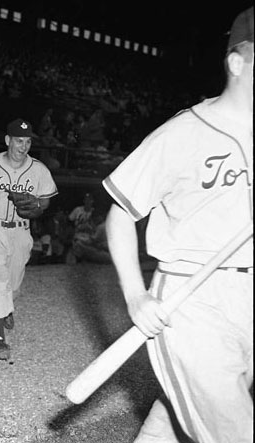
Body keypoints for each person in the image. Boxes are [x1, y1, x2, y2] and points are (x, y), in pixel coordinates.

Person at [103, 8, 253, 443]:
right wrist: (135, 295)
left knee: (182, 415)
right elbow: (120, 215)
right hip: (192, 297)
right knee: (235, 431)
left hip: (248, 296)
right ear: (237, 62)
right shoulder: (184, 133)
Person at [0, 118, 58, 361]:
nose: (23, 146)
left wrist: (37, 205)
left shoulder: (38, 169)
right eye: (18, 141)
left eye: (27, 141)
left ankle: (7, 307)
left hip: (20, 231)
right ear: (8, 140)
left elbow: (46, 199)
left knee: (13, 283)